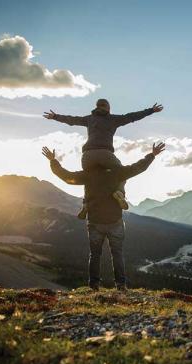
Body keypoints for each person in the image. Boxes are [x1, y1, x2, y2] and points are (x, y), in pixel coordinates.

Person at [41, 142, 165, 290]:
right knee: (117, 254)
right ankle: (121, 285)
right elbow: (139, 167)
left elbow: (66, 177)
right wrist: (152, 155)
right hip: (115, 220)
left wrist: (53, 161)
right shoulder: (117, 172)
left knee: (95, 255)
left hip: (95, 221)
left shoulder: (87, 175)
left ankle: (94, 285)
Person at [43, 99, 164, 219]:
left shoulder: (89, 119)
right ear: (108, 108)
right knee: (123, 173)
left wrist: (55, 116)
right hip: (105, 154)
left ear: (96, 107)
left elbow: (72, 120)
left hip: (87, 156)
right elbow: (132, 117)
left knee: (89, 177)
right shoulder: (113, 119)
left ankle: (86, 204)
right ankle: (120, 193)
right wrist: (151, 110)